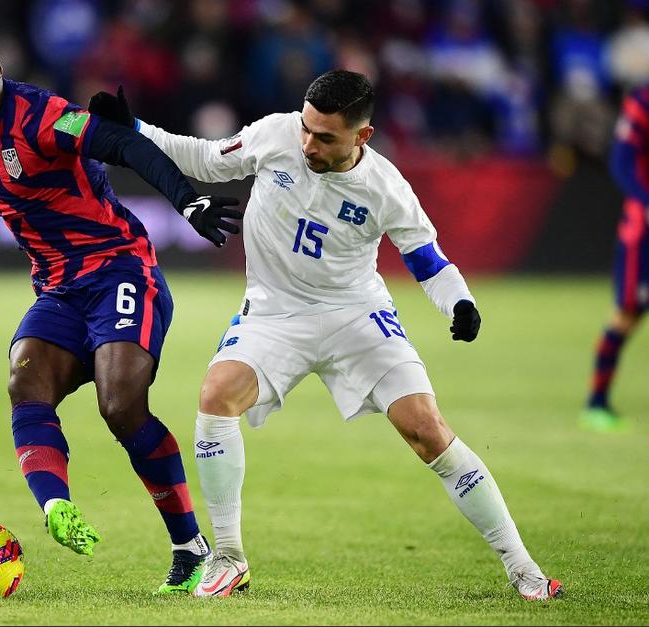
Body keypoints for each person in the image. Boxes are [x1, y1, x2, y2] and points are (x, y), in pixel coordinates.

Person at [88, 71, 562, 600]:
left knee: (427, 429)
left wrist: (461, 302)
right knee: (215, 397)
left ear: (363, 136)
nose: (309, 144)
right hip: (273, 314)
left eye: (325, 137)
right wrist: (135, 127)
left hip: (355, 315)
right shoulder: (276, 134)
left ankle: (524, 568)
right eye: (308, 129)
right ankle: (229, 558)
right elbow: (202, 157)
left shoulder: (386, 187)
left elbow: (427, 260)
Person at [0, 14, 244, 594]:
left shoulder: (41, 115)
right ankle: (55, 509)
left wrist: (187, 201)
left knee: (120, 406)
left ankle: (190, 548)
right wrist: (52, 500)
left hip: (121, 268)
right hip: (59, 288)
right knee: (25, 378)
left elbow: (118, 141)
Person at [579, 82, 649, 433]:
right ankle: (597, 402)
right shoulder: (644, 100)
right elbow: (622, 159)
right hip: (644, 234)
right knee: (627, 315)